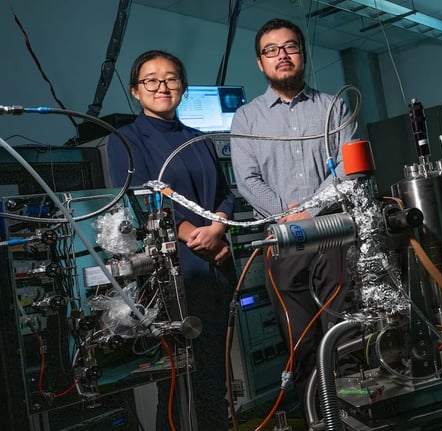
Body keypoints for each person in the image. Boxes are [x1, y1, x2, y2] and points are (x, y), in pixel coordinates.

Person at [229, 18, 357, 409]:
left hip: (334, 238)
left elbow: (347, 167)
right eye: (271, 50)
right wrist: (288, 216)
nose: (281, 55)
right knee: (300, 345)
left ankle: (354, 416)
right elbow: (247, 180)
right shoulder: (247, 118)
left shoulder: (333, 106)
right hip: (283, 243)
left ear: (303, 53)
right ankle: (318, 418)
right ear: (260, 62)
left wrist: (310, 212)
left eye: (290, 47)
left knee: (345, 335)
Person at [106, 50, 236, 431]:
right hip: (173, 274)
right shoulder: (126, 141)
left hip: (217, 265)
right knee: (178, 383)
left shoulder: (198, 139)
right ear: (135, 90)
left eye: (171, 78)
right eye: (151, 80)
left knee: (214, 377)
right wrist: (196, 236)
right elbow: (138, 198)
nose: (162, 86)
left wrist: (218, 230)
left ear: (182, 87)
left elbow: (225, 194)